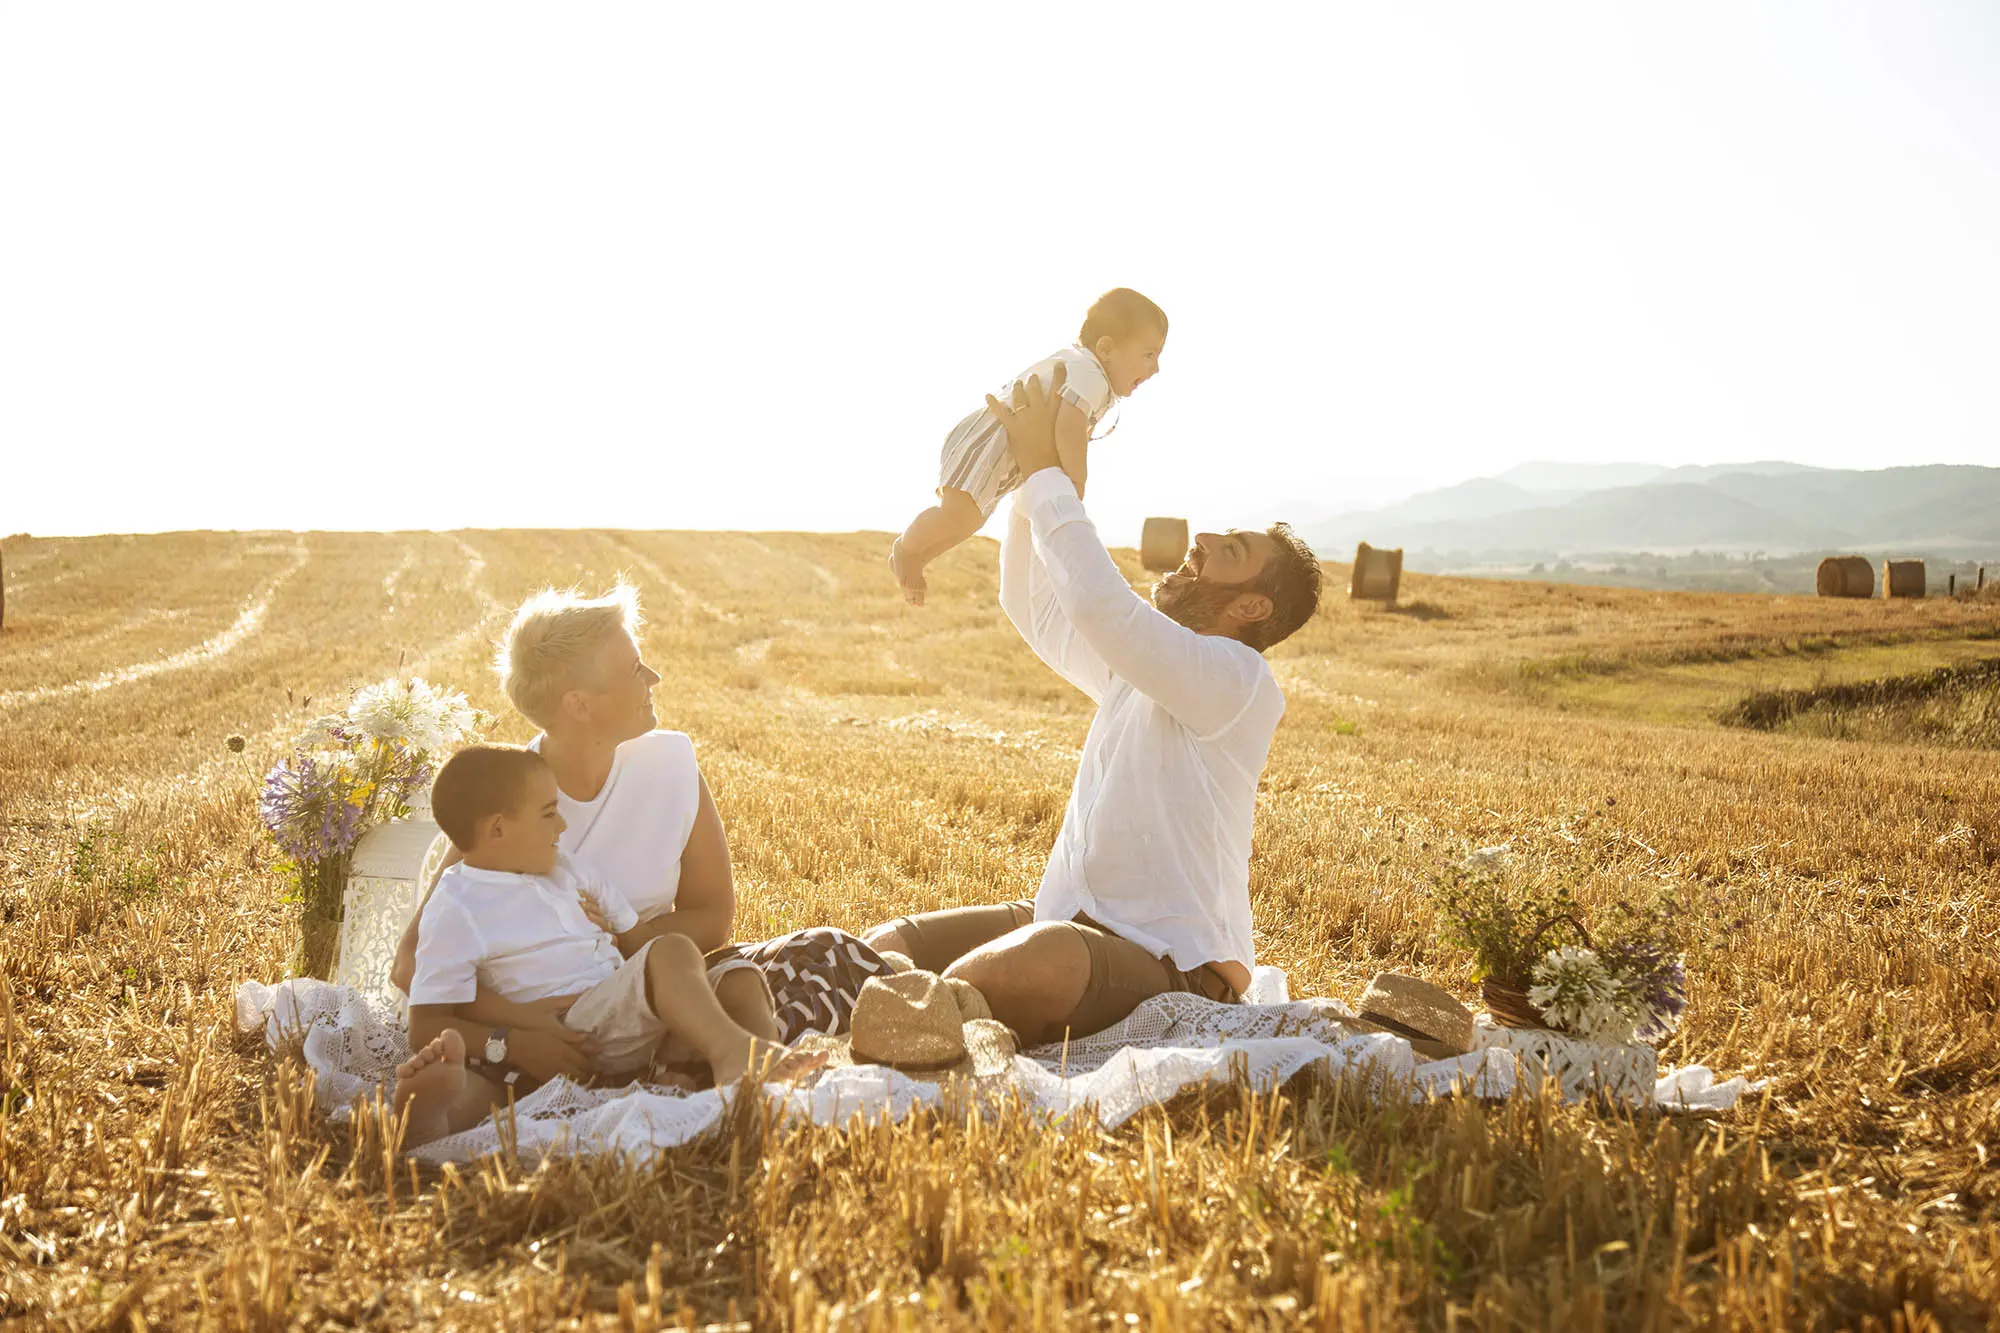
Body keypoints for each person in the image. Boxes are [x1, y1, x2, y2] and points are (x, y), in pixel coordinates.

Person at [865, 363, 1324, 1045]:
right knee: (884, 940)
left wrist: (1052, 474)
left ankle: (908, 1018)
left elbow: (1104, 608)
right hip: (1066, 919)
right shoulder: (1143, 667)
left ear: (1253, 606)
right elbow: (1035, 605)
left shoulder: (1238, 682)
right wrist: (1025, 481)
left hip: (1170, 962)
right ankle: (906, 1007)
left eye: (1228, 551)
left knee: (1042, 960)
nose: (1198, 541)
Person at [389, 585, 893, 1089]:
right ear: (579, 704)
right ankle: (712, 1072)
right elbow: (411, 966)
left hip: (660, 982)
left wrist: (619, 946)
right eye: (634, 669)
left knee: (826, 953)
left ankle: (731, 1069)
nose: (654, 677)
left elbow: (713, 917)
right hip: (566, 1020)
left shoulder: (670, 763)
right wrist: (520, 1024)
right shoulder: (510, 804)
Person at [395, 744, 802, 1144]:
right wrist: (511, 1043)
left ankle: (760, 1084)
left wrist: (616, 931)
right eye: (549, 813)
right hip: (572, 1026)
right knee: (672, 949)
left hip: (623, 1011)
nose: (563, 827)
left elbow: (634, 935)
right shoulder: (457, 905)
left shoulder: (564, 867)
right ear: (498, 829)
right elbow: (426, 1025)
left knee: (740, 978)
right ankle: (736, 1058)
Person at [887, 288, 1167, 606]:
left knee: (968, 521)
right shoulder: (1090, 373)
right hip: (989, 443)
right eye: (1148, 354)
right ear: (1105, 348)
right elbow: (1069, 426)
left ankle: (916, 558)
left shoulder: (1086, 372)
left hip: (999, 453)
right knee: (956, 514)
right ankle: (906, 549)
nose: (1155, 368)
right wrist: (1075, 483)